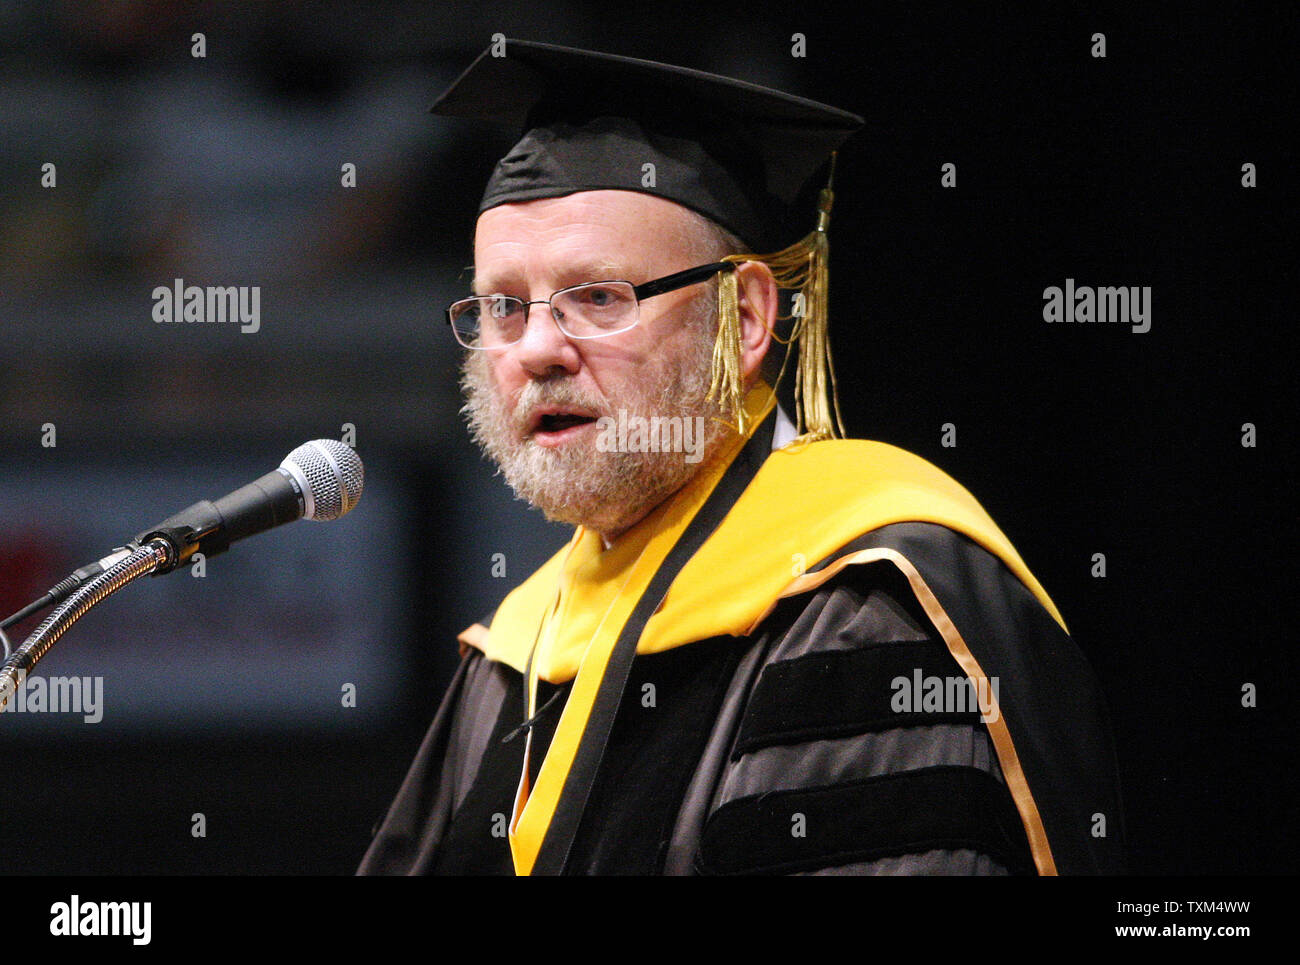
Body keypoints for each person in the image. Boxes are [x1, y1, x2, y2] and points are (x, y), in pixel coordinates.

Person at [359, 40, 1125, 876]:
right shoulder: (515, 652)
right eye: (504, 305)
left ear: (747, 317)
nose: (538, 347)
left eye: (600, 297)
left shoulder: (856, 608)